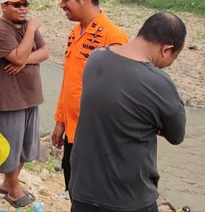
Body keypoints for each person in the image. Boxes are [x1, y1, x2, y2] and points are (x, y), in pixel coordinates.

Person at [68, 12, 187, 212]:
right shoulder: (159, 82)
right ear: (166, 49)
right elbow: (176, 135)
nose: (169, 63)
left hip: (83, 191)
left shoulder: (96, 58)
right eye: (173, 58)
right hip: (129, 199)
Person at [45, 0, 128, 191]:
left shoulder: (113, 37)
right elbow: (69, 81)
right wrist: (60, 121)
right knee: (73, 188)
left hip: (95, 136)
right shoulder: (74, 33)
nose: (62, 5)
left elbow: (120, 94)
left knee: (93, 195)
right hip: (72, 132)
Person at [0, 0, 49, 208]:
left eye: (25, 4)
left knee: (25, 148)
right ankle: (14, 190)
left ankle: (8, 183)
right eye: (17, 4)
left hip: (30, 97)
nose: (23, 8)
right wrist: (31, 31)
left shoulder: (26, 26)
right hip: (8, 100)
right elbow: (17, 56)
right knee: (9, 148)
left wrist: (23, 60)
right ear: (4, 6)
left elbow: (45, 52)